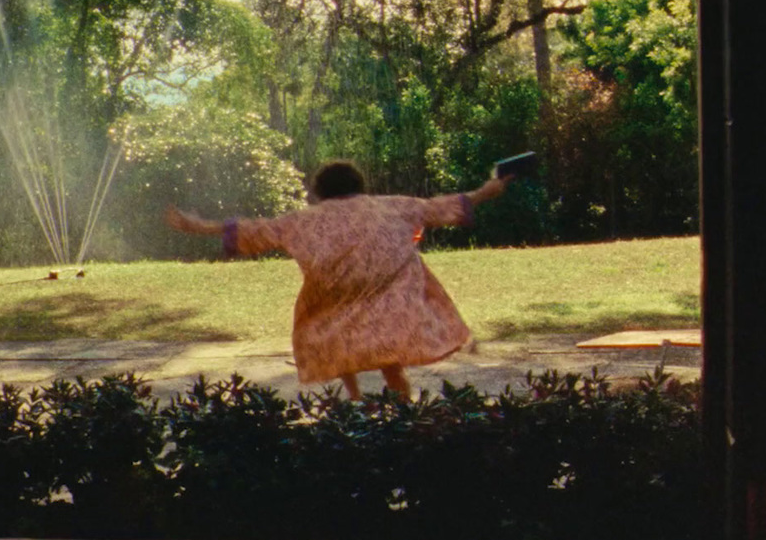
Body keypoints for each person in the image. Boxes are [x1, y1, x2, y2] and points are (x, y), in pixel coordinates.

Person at [164, 161, 508, 400]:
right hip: (386, 291)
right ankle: (401, 401)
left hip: (333, 295)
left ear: (320, 191)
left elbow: (257, 231)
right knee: (387, 350)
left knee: (337, 332)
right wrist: (488, 190)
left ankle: (355, 397)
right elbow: (442, 207)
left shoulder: (305, 219)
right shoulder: (393, 206)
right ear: (359, 186)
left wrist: (198, 225)